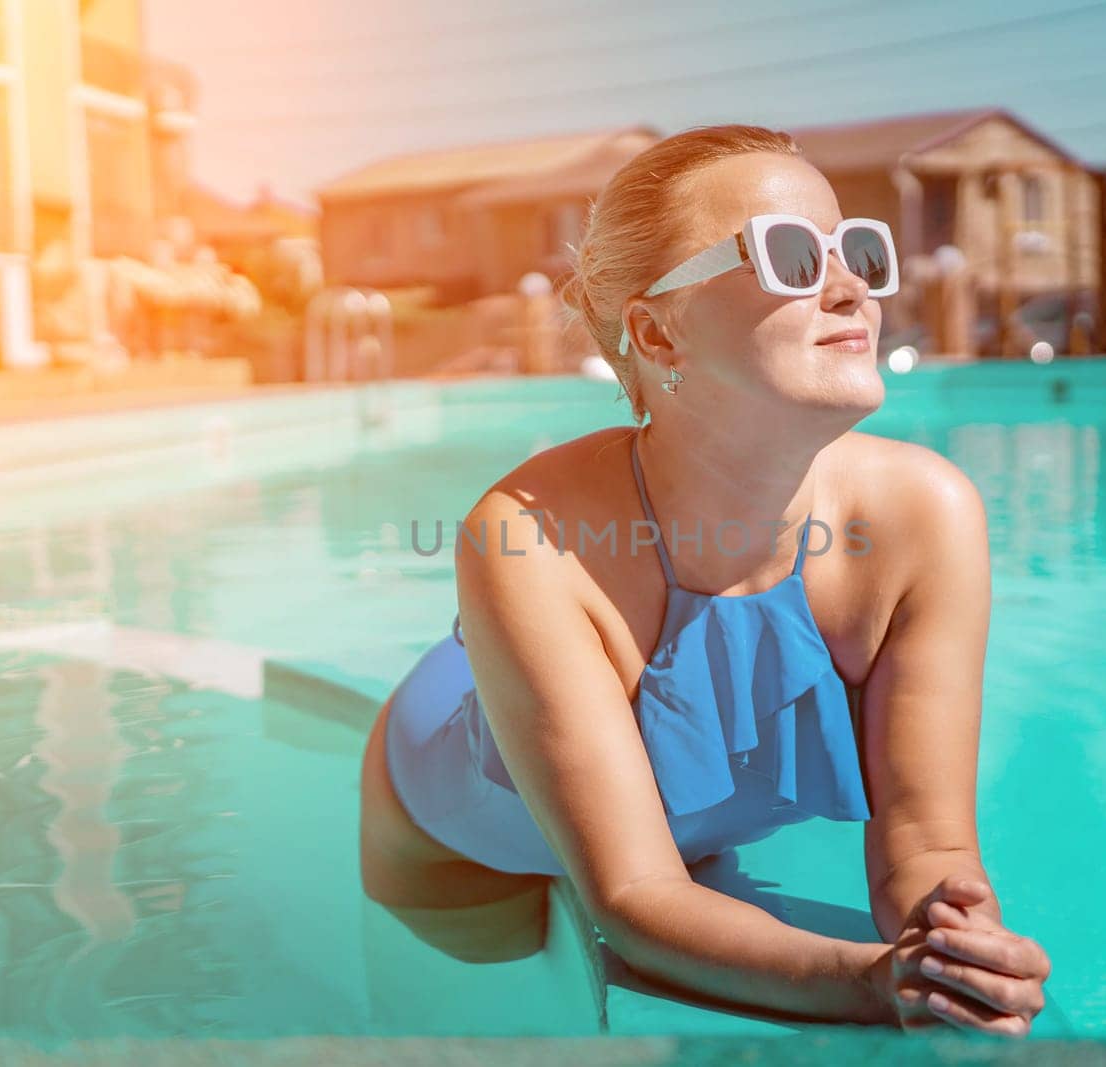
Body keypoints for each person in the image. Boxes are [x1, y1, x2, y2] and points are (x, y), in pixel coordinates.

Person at [358, 124, 1051, 1035]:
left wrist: (957, 948)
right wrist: (870, 983)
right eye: (791, 256)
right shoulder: (525, 533)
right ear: (657, 330)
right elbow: (635, 895)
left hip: (634, 786)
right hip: (462, 845)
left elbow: (926, 837)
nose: (851, 288)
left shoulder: (928, 515)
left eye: (859, 252)